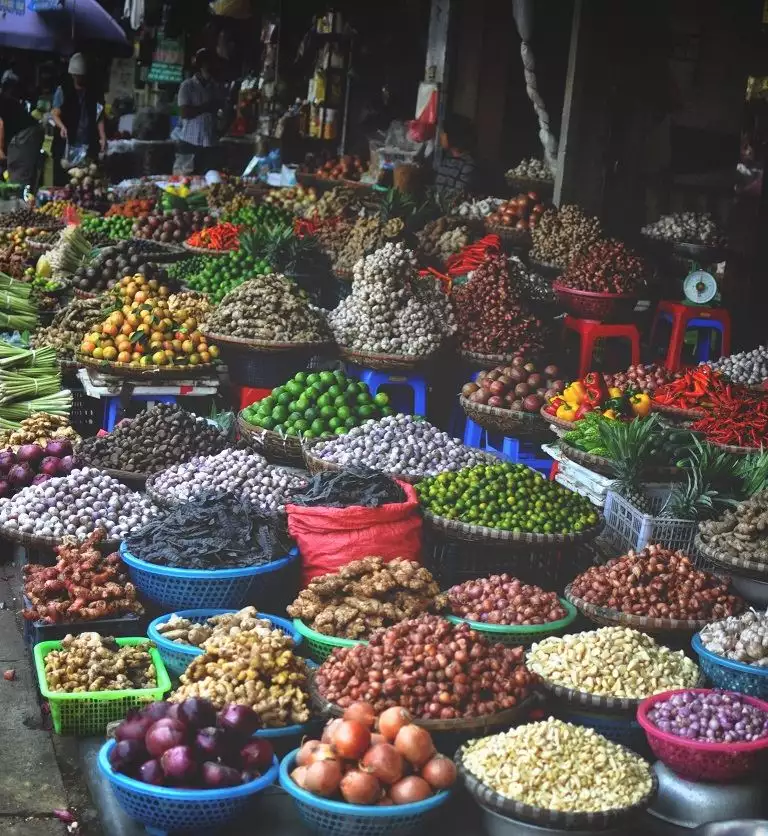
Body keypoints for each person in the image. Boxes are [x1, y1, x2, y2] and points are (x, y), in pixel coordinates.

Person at [51, 53, 106, 172]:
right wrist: (62, 127)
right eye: (76, 76)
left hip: (87, 143)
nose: (79, 79)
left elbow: (99, 115)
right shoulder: (64, 90)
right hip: (68, 144)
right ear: (72, 75)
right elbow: (55, 113)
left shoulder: (93, 92)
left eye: (81, 76)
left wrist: (102, 136)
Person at [175, 49, 221, 175]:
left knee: (207, 184)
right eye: (209, 64)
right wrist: (207, 106)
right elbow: (185, 113)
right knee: (184, 182)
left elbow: (218, 110)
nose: (212, 67)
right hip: (189, 143)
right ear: (201, 65)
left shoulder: (214, 87)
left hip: (209, 143)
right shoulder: (187, 86)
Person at [0, 70, 44, 189]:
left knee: (17, 181)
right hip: (30, 132)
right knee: (26, 178)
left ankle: (20, 204)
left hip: (25, 135)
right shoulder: (7, 99)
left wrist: (0, 150)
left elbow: (0, 123)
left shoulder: (3, 99)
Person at [434, 113, 478, 203]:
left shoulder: (469, 165)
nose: (440, 137)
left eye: (443, 134)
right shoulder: (447, 158)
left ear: (453, 136)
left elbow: (458, 195)